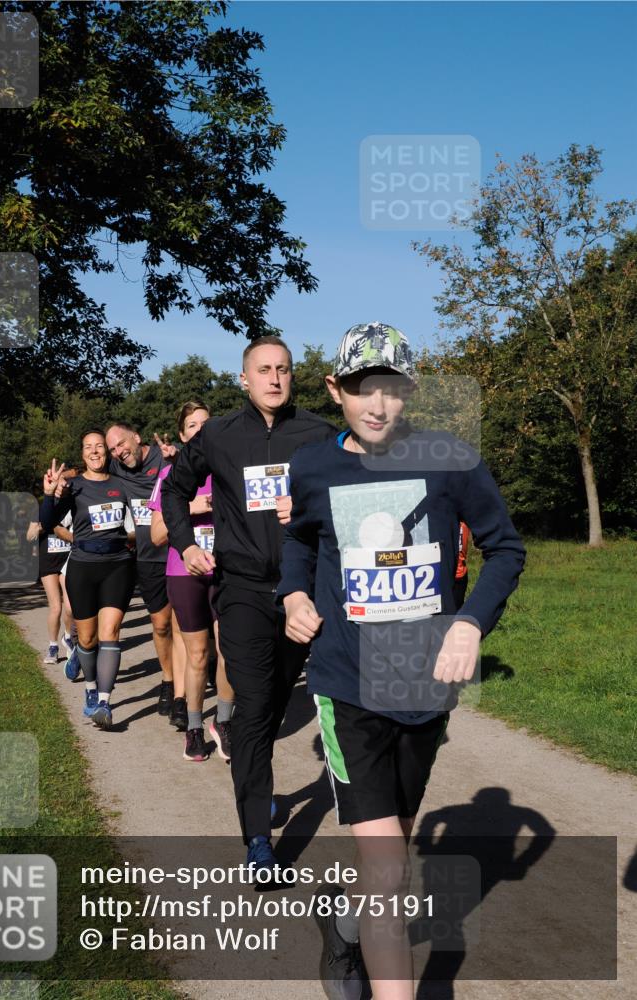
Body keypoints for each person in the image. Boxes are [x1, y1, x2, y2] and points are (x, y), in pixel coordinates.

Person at [278, 322, 526, 1000]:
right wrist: (294, 592)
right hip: (345, 685)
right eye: (363, 389)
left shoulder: (451, 460)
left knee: (389, 860)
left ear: (410, 391)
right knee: (389, 869)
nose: (378, 405)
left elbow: (507, 550)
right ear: (335, 390)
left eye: (391, 389)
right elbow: (298, 540)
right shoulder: (312, 466)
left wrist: (472, 622)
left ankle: (341, 926)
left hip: (422, 690)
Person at [161, 336, 338, 870]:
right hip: (239, 590)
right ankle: (257, 836)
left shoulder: (319, 436)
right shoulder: (218, 435)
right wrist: (186, 543)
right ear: (244, 379)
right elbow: (173, 490)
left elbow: (352, 496)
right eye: (263, 370)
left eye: (283, 369)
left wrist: (311, 504)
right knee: (256, 708)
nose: (275, 378)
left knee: (278, 699)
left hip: (299, 593)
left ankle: (257, 795)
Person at [149, 400, 235, 762]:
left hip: (228, 569)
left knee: (229, 648)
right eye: (192, 426)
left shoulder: (229, 469)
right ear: (183, 437)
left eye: (206, 423)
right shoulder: (170, 477)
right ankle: (195, 727)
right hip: (185, 573)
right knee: (198, 654)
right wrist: (194, 508)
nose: (200, 430)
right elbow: (155, 536)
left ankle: (225, 722)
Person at [40, 429, 136, 729]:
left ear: (106, 453)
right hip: (83, 567)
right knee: (87, 638)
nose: (95, 451)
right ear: (82, 454)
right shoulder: (74, 487)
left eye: (99, 447)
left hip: (118, 565)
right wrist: (49, 494)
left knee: (111, 634)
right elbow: (46, 522)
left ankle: (105, 702)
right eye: (88, 447)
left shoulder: (122, 484)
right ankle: (91, 689)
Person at [104, 422, 185, 721]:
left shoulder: (164, 456)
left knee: (185, 624)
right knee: (161, 624)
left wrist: (178, 458)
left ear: (136, 438)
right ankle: (169, 679)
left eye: (121, 444)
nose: (118, 452)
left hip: (180, 551)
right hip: (149, 557)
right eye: (112, 449)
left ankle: (186, 688)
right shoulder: (116, 470)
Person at [27, 512, 73, 663]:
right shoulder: (43, 509)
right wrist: (42, 527)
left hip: (68, 560)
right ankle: (53, 647)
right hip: (48, 562)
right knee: (56, 608)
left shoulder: (74, 505)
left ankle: (67, 637)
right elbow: (29, 536)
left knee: (70, 607)